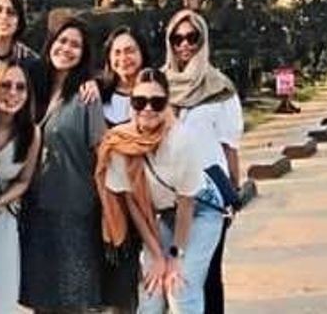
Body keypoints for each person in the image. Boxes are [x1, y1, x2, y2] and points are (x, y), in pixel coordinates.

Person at [95, 69, 226, 314]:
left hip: (201, 210)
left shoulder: (181, 140)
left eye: (156, 102)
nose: (147, 108)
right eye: (139, 101)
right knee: (151, 289)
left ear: (167, 104)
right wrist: (156, 256)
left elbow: (187, 204)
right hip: (163, 216)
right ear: (131, 103)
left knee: (180, 288)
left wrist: (175, 256)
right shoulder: (121, 143)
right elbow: (133, 204)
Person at [19, 19, 107, 314]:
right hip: (34, 206)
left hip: (74, 209)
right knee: (41, 298)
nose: (67, 49)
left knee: (74, 298)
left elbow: (101, 154)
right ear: (50, 43)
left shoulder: (86, 96)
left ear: (84, 54)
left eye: (75, 45)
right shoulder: (33, 87)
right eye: (62, 41)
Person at [162, 9, 242, 314]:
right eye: (177, 38)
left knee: (206, 276)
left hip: (209, 193)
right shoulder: (159, 85)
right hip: (168, 194)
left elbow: (229, 146)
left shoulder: (219, 88)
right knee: (171, 274)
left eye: (192, 37)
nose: (185, 45)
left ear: (203, 40)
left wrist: (233, 192)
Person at [0, 61, 40, 313]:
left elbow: (24, 180)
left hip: (1, 218)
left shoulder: (31, 134)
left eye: (20, 87)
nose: (12, 93)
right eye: (5, 85)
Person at [98, 26, 151, 313]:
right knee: (119, 290)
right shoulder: (97, 96)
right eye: (116, 52)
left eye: (130, 50)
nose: (123, 58)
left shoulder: (156, 94)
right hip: (111, 206)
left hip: (150, 201)